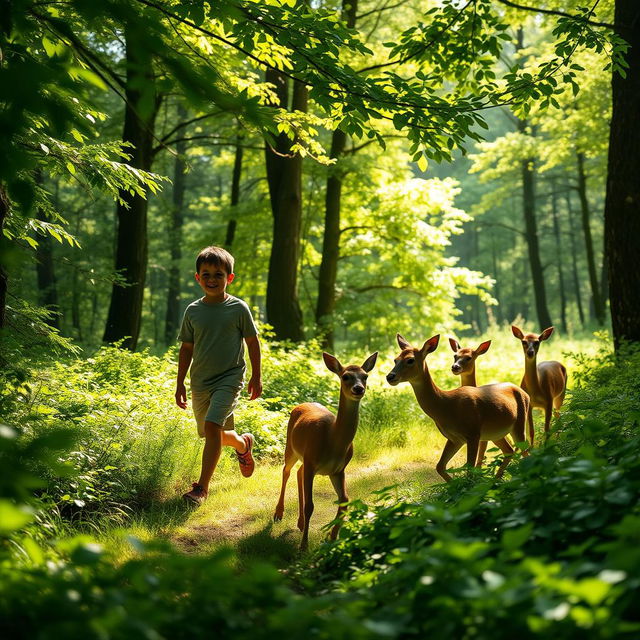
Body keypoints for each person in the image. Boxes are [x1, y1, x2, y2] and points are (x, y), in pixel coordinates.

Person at [175, 246, 262, 505]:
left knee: (213, 427)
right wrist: (180, 382)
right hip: (200, 380)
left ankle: (201, 489)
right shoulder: (192, 311)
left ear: (230, 278)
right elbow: (186, 348)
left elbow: (252, 342)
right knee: (210, 433)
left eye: (218, 275)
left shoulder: (238, 308)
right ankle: (243, 445)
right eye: (206, 274)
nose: (212, 279)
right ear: (197, 277)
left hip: (230, 377)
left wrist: (256, 376)